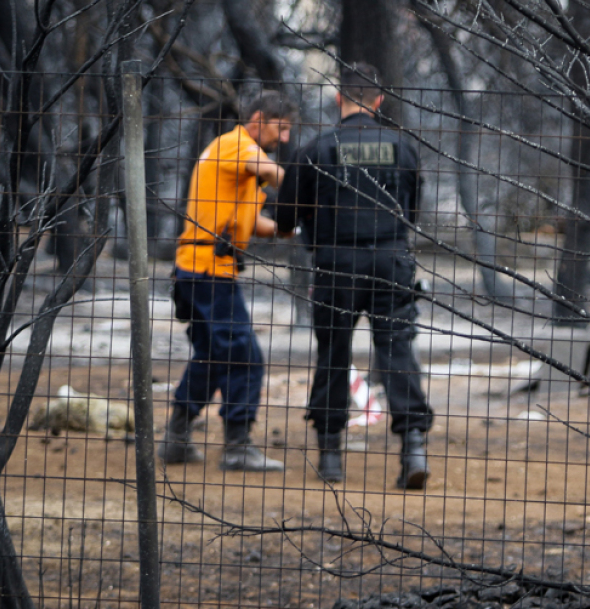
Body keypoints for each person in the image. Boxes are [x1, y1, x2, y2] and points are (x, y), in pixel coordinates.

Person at [275, 63, 433, 490]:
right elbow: (413, 212)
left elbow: (286, 219)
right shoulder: (403, 147)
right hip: (390, 261)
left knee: (334, 352)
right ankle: (413, 446)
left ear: (338, 99)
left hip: (336, 264)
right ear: (379, 101)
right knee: (397, 349)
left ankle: (330, 457)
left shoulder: (316, 149)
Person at [160, 90, 296, 470]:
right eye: (280, 128)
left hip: (200, 268)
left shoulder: (237, 161)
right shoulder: (237, 146)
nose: (283, 139)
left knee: (212, 354)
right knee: (245, 355)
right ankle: (237, 445)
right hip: (209, 271)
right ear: (257, 121)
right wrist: (311, 186)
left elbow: (251, 223)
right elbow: (273, 173)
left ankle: (176, 438)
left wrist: (290, 228)